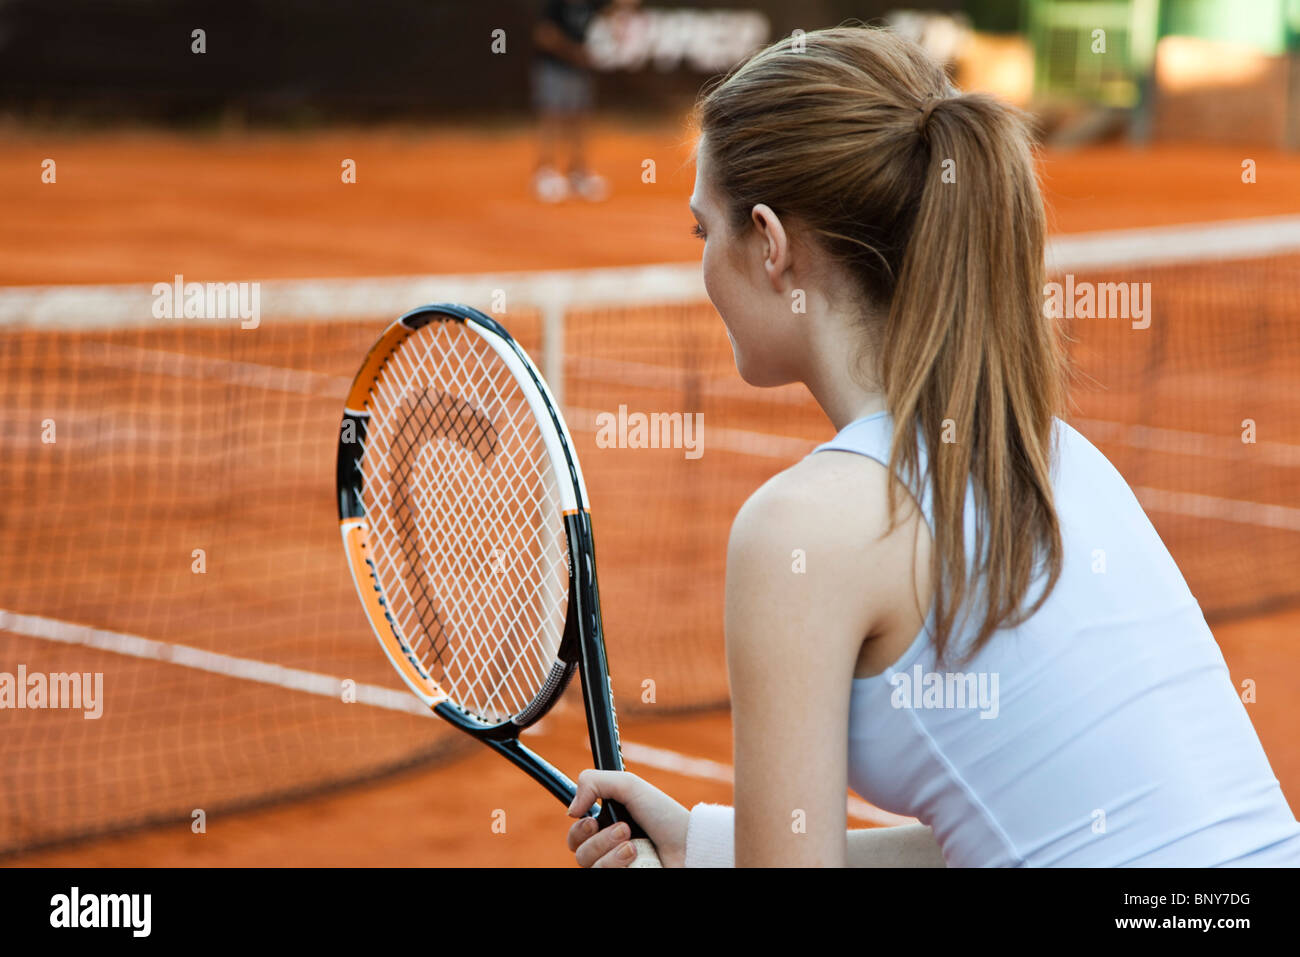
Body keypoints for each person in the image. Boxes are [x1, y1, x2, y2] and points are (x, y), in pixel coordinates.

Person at [563, 25, 1300, 867]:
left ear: (769, 243)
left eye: (704, 233)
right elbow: (996, 836)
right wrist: (703, 845)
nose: (702, 268)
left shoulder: (800, 530)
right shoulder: (1054, 455)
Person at [531, 0, 626, 203]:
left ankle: (578, 173)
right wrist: (573, 51)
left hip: (580, 70)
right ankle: (546, 173)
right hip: (554, 68)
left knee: (580, 119)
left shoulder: (592, 4)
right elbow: (544, 35)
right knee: (552, 117)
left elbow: (616, 8)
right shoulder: (554, 6)